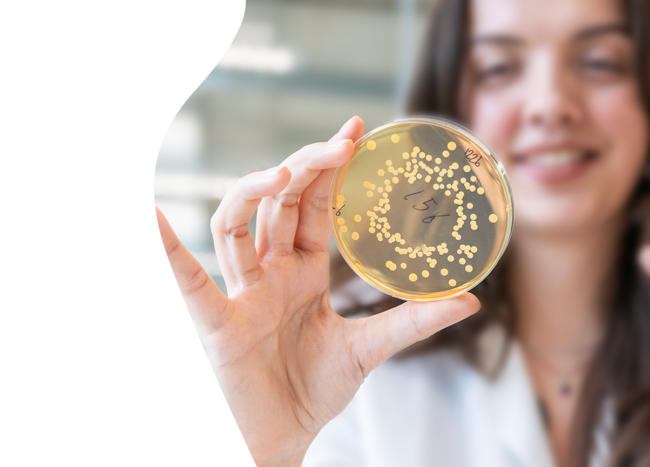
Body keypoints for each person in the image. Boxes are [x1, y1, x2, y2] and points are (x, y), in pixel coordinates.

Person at [154, 0, 650, 465]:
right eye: (499, 67)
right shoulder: (340, 351)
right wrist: (268, 447)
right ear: (454, 101)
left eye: (600, 62)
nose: (550, 104)